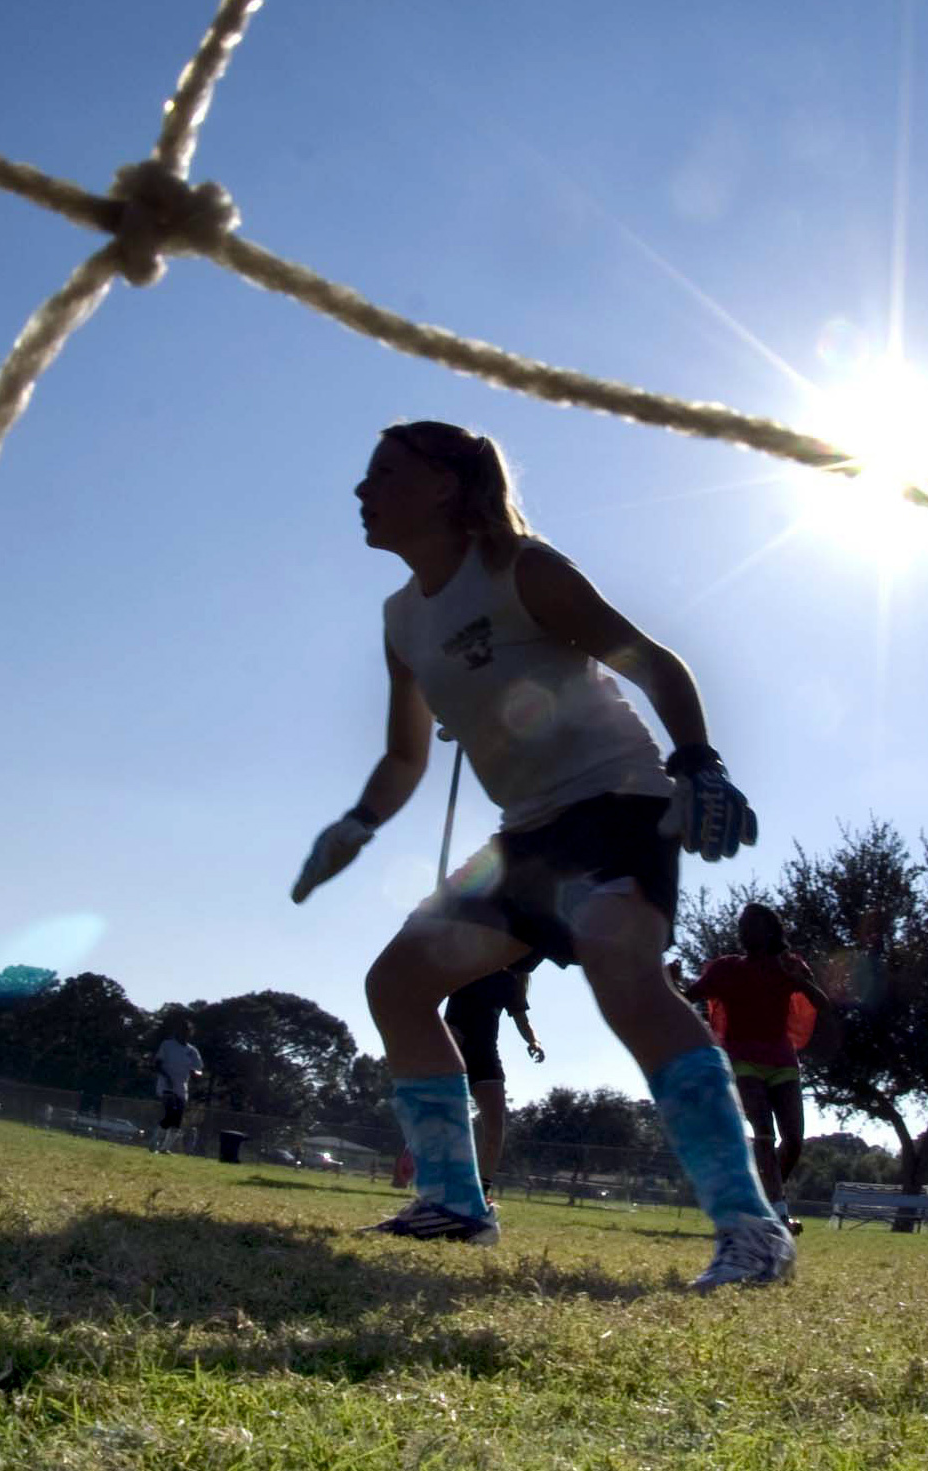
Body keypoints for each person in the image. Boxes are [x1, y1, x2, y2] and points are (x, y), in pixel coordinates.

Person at [291, 419, 794, 1291]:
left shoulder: (523, 568)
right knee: (397, 986)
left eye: (382, 474)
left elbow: (652, 661)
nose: (360, 491)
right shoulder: (400, 619)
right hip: (524, 832)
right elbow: (406, 754)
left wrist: (699, 763)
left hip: (617, 803)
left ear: (446, 485)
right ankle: (453, 1204)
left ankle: (753, 1231)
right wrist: (357, 824)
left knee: (625, 978)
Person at [682, 903, 835, 1234]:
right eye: (742, 926)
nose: (744, 931)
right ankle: (778, 1215)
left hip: (782, 1061)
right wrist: (671, 980)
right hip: (741, 1059)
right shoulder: (726, 969)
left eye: (752, 925)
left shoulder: (788, 965)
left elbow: (822, 1004)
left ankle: (762, 1200)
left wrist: (799, 981)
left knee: (793, 1140)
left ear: (770, 931)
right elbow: (686, 996)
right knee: (764, 1133)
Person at [396, 961, 543, 1189]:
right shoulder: (466, 965)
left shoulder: (509, 982)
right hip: (452, 1049)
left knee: (495, 1127)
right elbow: (426, 997)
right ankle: (408, 1165)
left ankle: (482, 1191)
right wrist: (440, 1032)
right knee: (436, 1116)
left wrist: (534, 1041)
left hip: (485, 1058)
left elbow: (522, 1020)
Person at [150, 1018, 204, 1155]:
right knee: (170, 1113)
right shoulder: (167, 1045)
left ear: (190, 1033)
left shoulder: (192, 1051)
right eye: (181, 1031)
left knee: (177, 1119)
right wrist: (167, 1077)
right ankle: (154, 1142)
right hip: (166, 1085)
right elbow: (157, 1064)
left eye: (187, 1031)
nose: (183, 1034)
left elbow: (199, 1069)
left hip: (181, 1086)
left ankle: (165, 1148)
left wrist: (195, 1073)